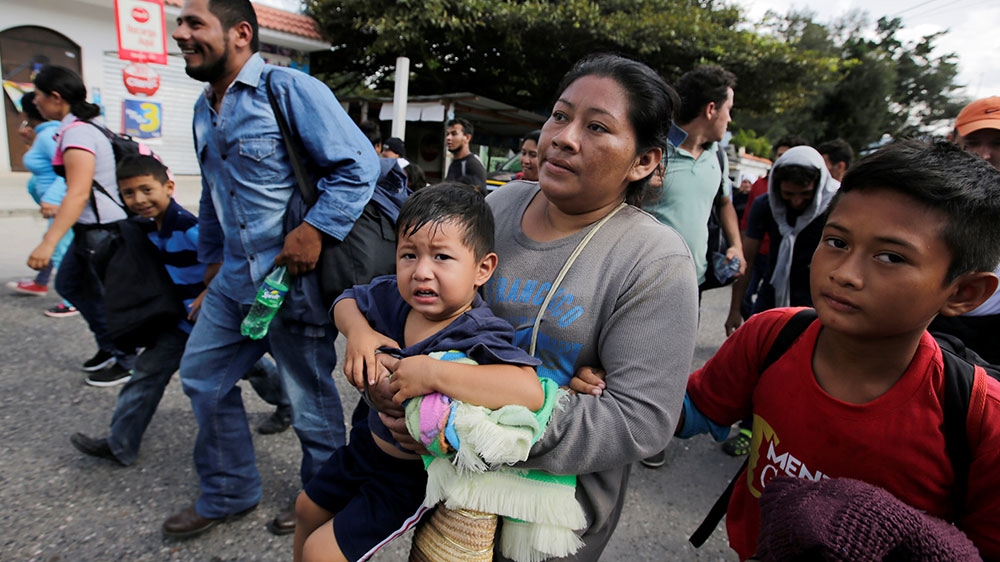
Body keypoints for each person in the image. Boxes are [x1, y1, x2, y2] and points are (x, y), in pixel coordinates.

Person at [374, 53, 700, 560]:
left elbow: (639, 420)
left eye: (597, 127)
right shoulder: (498, 207)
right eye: (560, 115)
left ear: (645, 161)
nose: (564, 137)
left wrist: (479, 418)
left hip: (545, 519)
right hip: (446, 486)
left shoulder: (654, 261)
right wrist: (395, 382)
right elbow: (421, 304)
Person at [675, 140, 1000, 561]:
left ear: (964, 291)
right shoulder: (772, 335)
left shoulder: (980, 418)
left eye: (890, 257)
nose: (845, 274)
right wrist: (609, 388)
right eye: (837, 242)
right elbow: (697, 408)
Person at [165, 0, 380, 539]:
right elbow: (214, 197)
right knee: (202, 380)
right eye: (180, 24)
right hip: (234, 281)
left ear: (240, 32)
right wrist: (210, 262)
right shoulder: (201, 108)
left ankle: (324, 500)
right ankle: (230, 491)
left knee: (310, 404)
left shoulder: (287, 90)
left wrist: (315, 229)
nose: (180, 34)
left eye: (194, 24)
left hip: (294, 285)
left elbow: (359, 165)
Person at [293, 183, 544, 562]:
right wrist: (359, 333)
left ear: (482, 268)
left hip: (406, 478)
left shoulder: (477, 330)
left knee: (320, 552)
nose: (421, 272)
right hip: (363, 445)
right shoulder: (394, 297)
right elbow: (346, 301)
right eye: (408, 255)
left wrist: (433, 373)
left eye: (442, 257)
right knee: (305, 508)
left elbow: (529, 390)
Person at [67, 154, 286, 463]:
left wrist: (208, 292)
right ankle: (120, 444)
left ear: (168, 187)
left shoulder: (188, 227)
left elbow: (233, 259)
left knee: (254, 368)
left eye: (146, 189)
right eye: (128, 193)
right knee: (145, 375)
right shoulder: (146, 229)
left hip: (213, 322)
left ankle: (287, 403)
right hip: (179, 324)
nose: (139, 199)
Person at [26, 65, 135, 384]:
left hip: (102, 232)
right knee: (71, 286)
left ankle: (126, 359)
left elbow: (77, 192)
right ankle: (110, 346)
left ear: (55, 97)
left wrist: (48, 243)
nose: (35, 101)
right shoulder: (80, 127)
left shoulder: (79, 134)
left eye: (38, 95)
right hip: (91, 230)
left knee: (107, 296)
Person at [643, 64, 746, 293]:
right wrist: (639, 186)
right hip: (644, 281)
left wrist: (736, 246)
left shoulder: (718, 155)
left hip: (692, 283)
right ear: (711, 109)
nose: (729, 119)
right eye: (728, 109)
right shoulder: (652, 148)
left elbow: (725, 202)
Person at [927, 96, 1000, 364]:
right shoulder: (923, 202)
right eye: (972, 143)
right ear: (952, 142)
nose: (984, 155)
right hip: (929, 331)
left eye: (997, 144)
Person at [5, 91, 77, 317]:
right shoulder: (45, 135)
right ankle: (42, 282)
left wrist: (52, 199)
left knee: (58, 249)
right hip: (56, 205)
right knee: (60, 248)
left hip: (60, 205)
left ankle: (71, 301)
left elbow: (66, 171)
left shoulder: (49, 136)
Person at [738, 135, 808, 322]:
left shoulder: (829, 207)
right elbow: (748, 232)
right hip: (766, 261)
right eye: (788, 194)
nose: (797, 201)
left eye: (805, 194)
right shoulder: (763, 195)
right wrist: (734, 309)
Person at [444, 117, 487, 191]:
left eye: (454, 134)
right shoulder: (454, 163)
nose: (448, 138)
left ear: (467, 138)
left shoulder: (473, 164)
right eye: (447, 134)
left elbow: (478, 195)